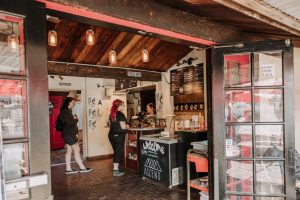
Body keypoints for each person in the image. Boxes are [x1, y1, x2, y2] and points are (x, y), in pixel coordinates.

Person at [60, 97, 92, 174]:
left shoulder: (66, 111)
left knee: (69, 151)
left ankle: (68, 169)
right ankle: (82, 168)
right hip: (69, 134)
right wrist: (76, 119)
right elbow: (70, 122)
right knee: (77, 149)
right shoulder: (66, 112)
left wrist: (74, 119)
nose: (74, 104)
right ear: (68, 103)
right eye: (73, 102)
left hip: (67, 134)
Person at [108, 99, 128, 176]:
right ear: (119, 105)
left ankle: (116, 168)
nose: (124, 106)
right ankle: (115, 170)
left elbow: (111, 124)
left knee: (116, 151)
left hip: (111, 135)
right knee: (118, 152)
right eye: (123, 104)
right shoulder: (120, 114)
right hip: (118, 136)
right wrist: (127, 126)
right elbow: (123, 127)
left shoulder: (112, 114)